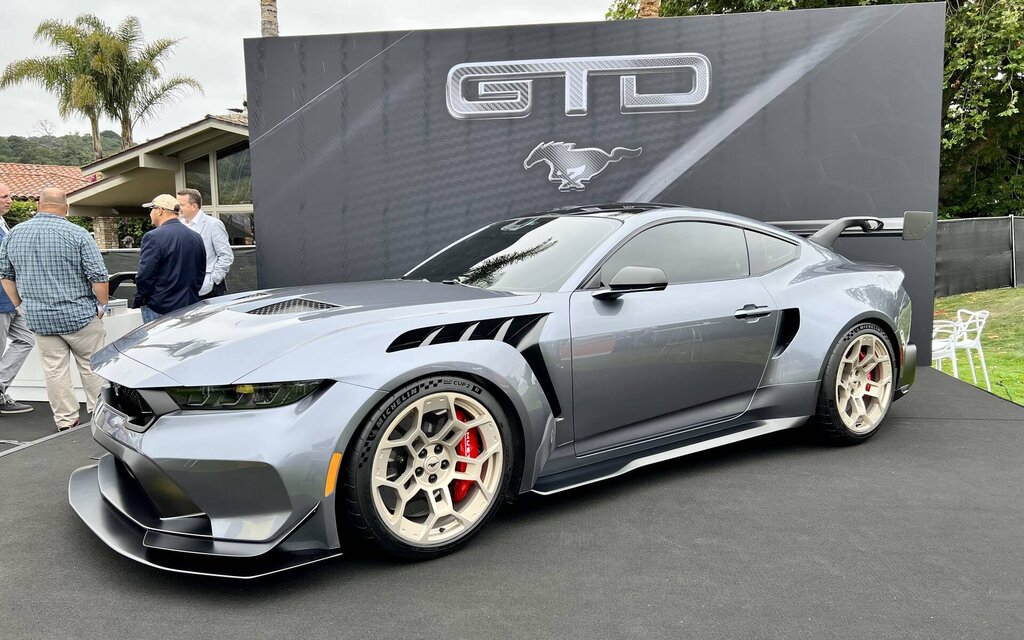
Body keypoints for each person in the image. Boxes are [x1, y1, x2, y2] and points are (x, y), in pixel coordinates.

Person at [0, 187, 109, 431]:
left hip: (40, 318)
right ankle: (101, 415)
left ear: (39, 205)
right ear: (66, 207)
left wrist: (19, 305)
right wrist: (102, 304)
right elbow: (99, 276)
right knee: (92, 366)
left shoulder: (14, 234)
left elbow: (6, 276)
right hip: (79, 315)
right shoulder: (77, 233)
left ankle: (65, 420)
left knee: (54, 371)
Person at [135, 194, 205, 323]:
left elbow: (145, 275)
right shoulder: (195, 236)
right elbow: (200, 272)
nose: (150, 213)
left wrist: (141, 298)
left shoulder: (153, 237)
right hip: (190, 305)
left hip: (159, 308)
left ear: (160, 210)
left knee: (158, 343)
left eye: (151, 209)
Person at [0, 183, 34, 414]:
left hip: (12, 298)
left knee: (27, 338)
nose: (10, 199)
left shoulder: (3, 225)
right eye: (4, 196)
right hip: (2, 300)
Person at [176, 188, 233, 299]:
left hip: (209, 290)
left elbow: (226, 256)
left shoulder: (213, 224)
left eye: (181, 205)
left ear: (194, 206)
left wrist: (213, 280)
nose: (178, 208)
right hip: (184, 288)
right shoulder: (179, 225)